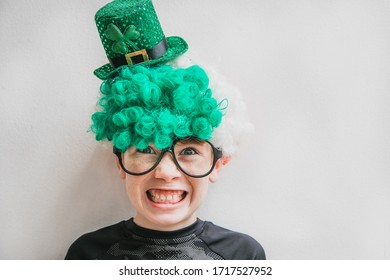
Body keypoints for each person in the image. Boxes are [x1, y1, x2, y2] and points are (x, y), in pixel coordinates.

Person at [65, 0, 265, 260]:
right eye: (146, 149)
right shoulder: (87, 255)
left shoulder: (242, 255)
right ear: (120, 161)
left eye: (190, 150)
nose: (165, 172)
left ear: (218, 163)